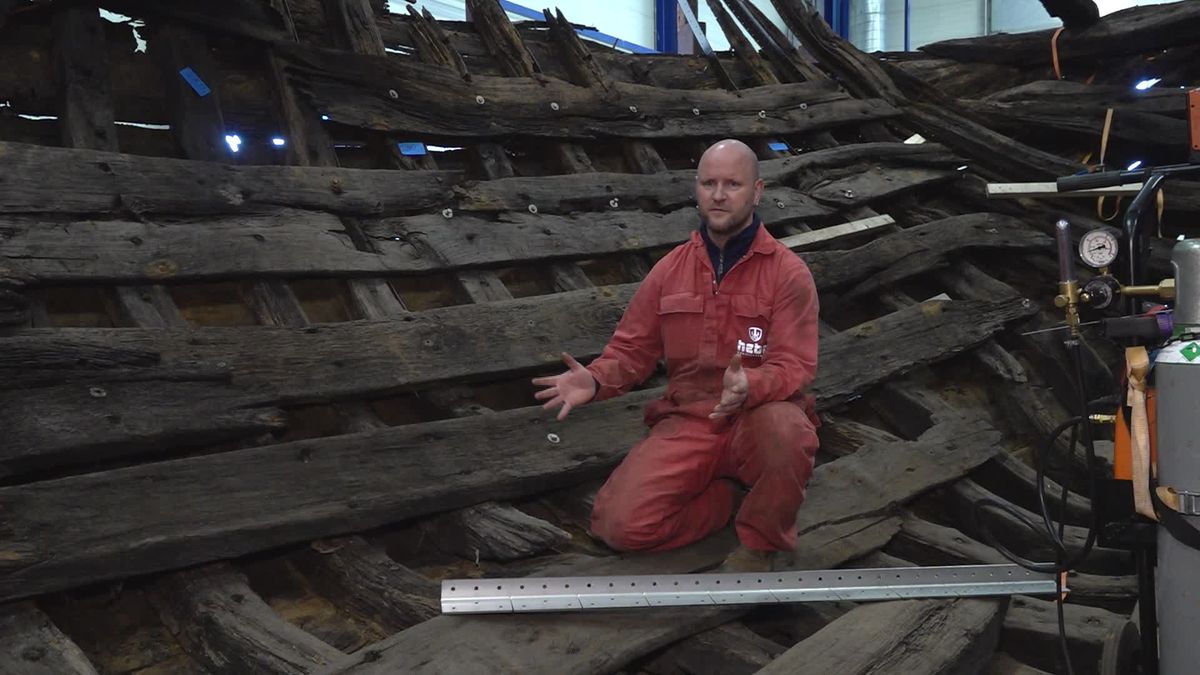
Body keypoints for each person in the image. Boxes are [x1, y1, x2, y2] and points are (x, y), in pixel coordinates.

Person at [532, 139, 820, 572]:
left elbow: (796, 365)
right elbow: (632, 349)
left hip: (758, 416)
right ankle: (728, 500)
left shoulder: (788, 273)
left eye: (732, 184)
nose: (719, 194)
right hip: (691, 419)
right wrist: (593, 380)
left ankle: (762, 542)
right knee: (618, 526)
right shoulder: (670, 269)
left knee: (788, 431)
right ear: (697, 189)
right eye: (709, 183)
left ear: (757, 192)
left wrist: (752, 385)